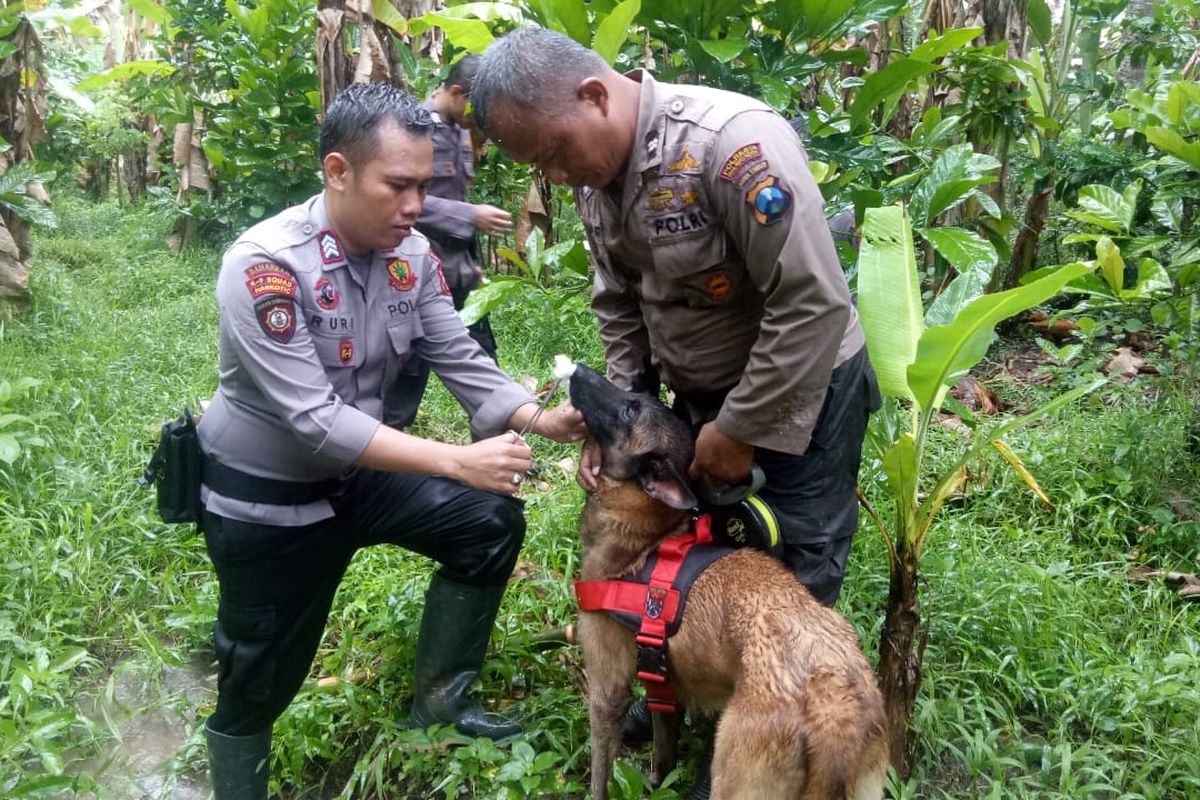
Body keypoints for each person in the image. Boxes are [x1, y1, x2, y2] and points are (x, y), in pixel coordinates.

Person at [473, 29, 880, 798]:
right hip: (700, 395)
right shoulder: (599, 178)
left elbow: (813, 304)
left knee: (791, 562)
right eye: (537, 168)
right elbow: (619, 307)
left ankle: (777, 739)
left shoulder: (732, 146)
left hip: (801, 393)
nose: (555, 178)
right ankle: (687, 685)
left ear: (594, 95)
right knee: (710, 554)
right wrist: (615, 419)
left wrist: (738, 429)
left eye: (553, 155)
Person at [195, 81, 583, 800]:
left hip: (360, 478)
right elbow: (314, 420)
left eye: (425, 187)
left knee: (488, 523)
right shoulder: (266, 266)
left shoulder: (414, 257)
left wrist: (537, 417)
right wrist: (457, 460)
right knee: (257, 677)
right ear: (337, 171)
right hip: (270, 503)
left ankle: (440, 702)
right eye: (398, 186)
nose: (415, 207)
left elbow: (459, 357)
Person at [383, 55, 513, 429]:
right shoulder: (414, 129)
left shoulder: (457, 128)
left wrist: (472, 263)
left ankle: (499, 443)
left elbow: (453, 194)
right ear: (457, 93)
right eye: (476, 110)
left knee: (483, 360)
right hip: (419, 271)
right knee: (409, 366)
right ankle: (384, 451)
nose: (480, 123)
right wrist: (470, 216)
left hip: (458, 272)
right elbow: (407, 204)